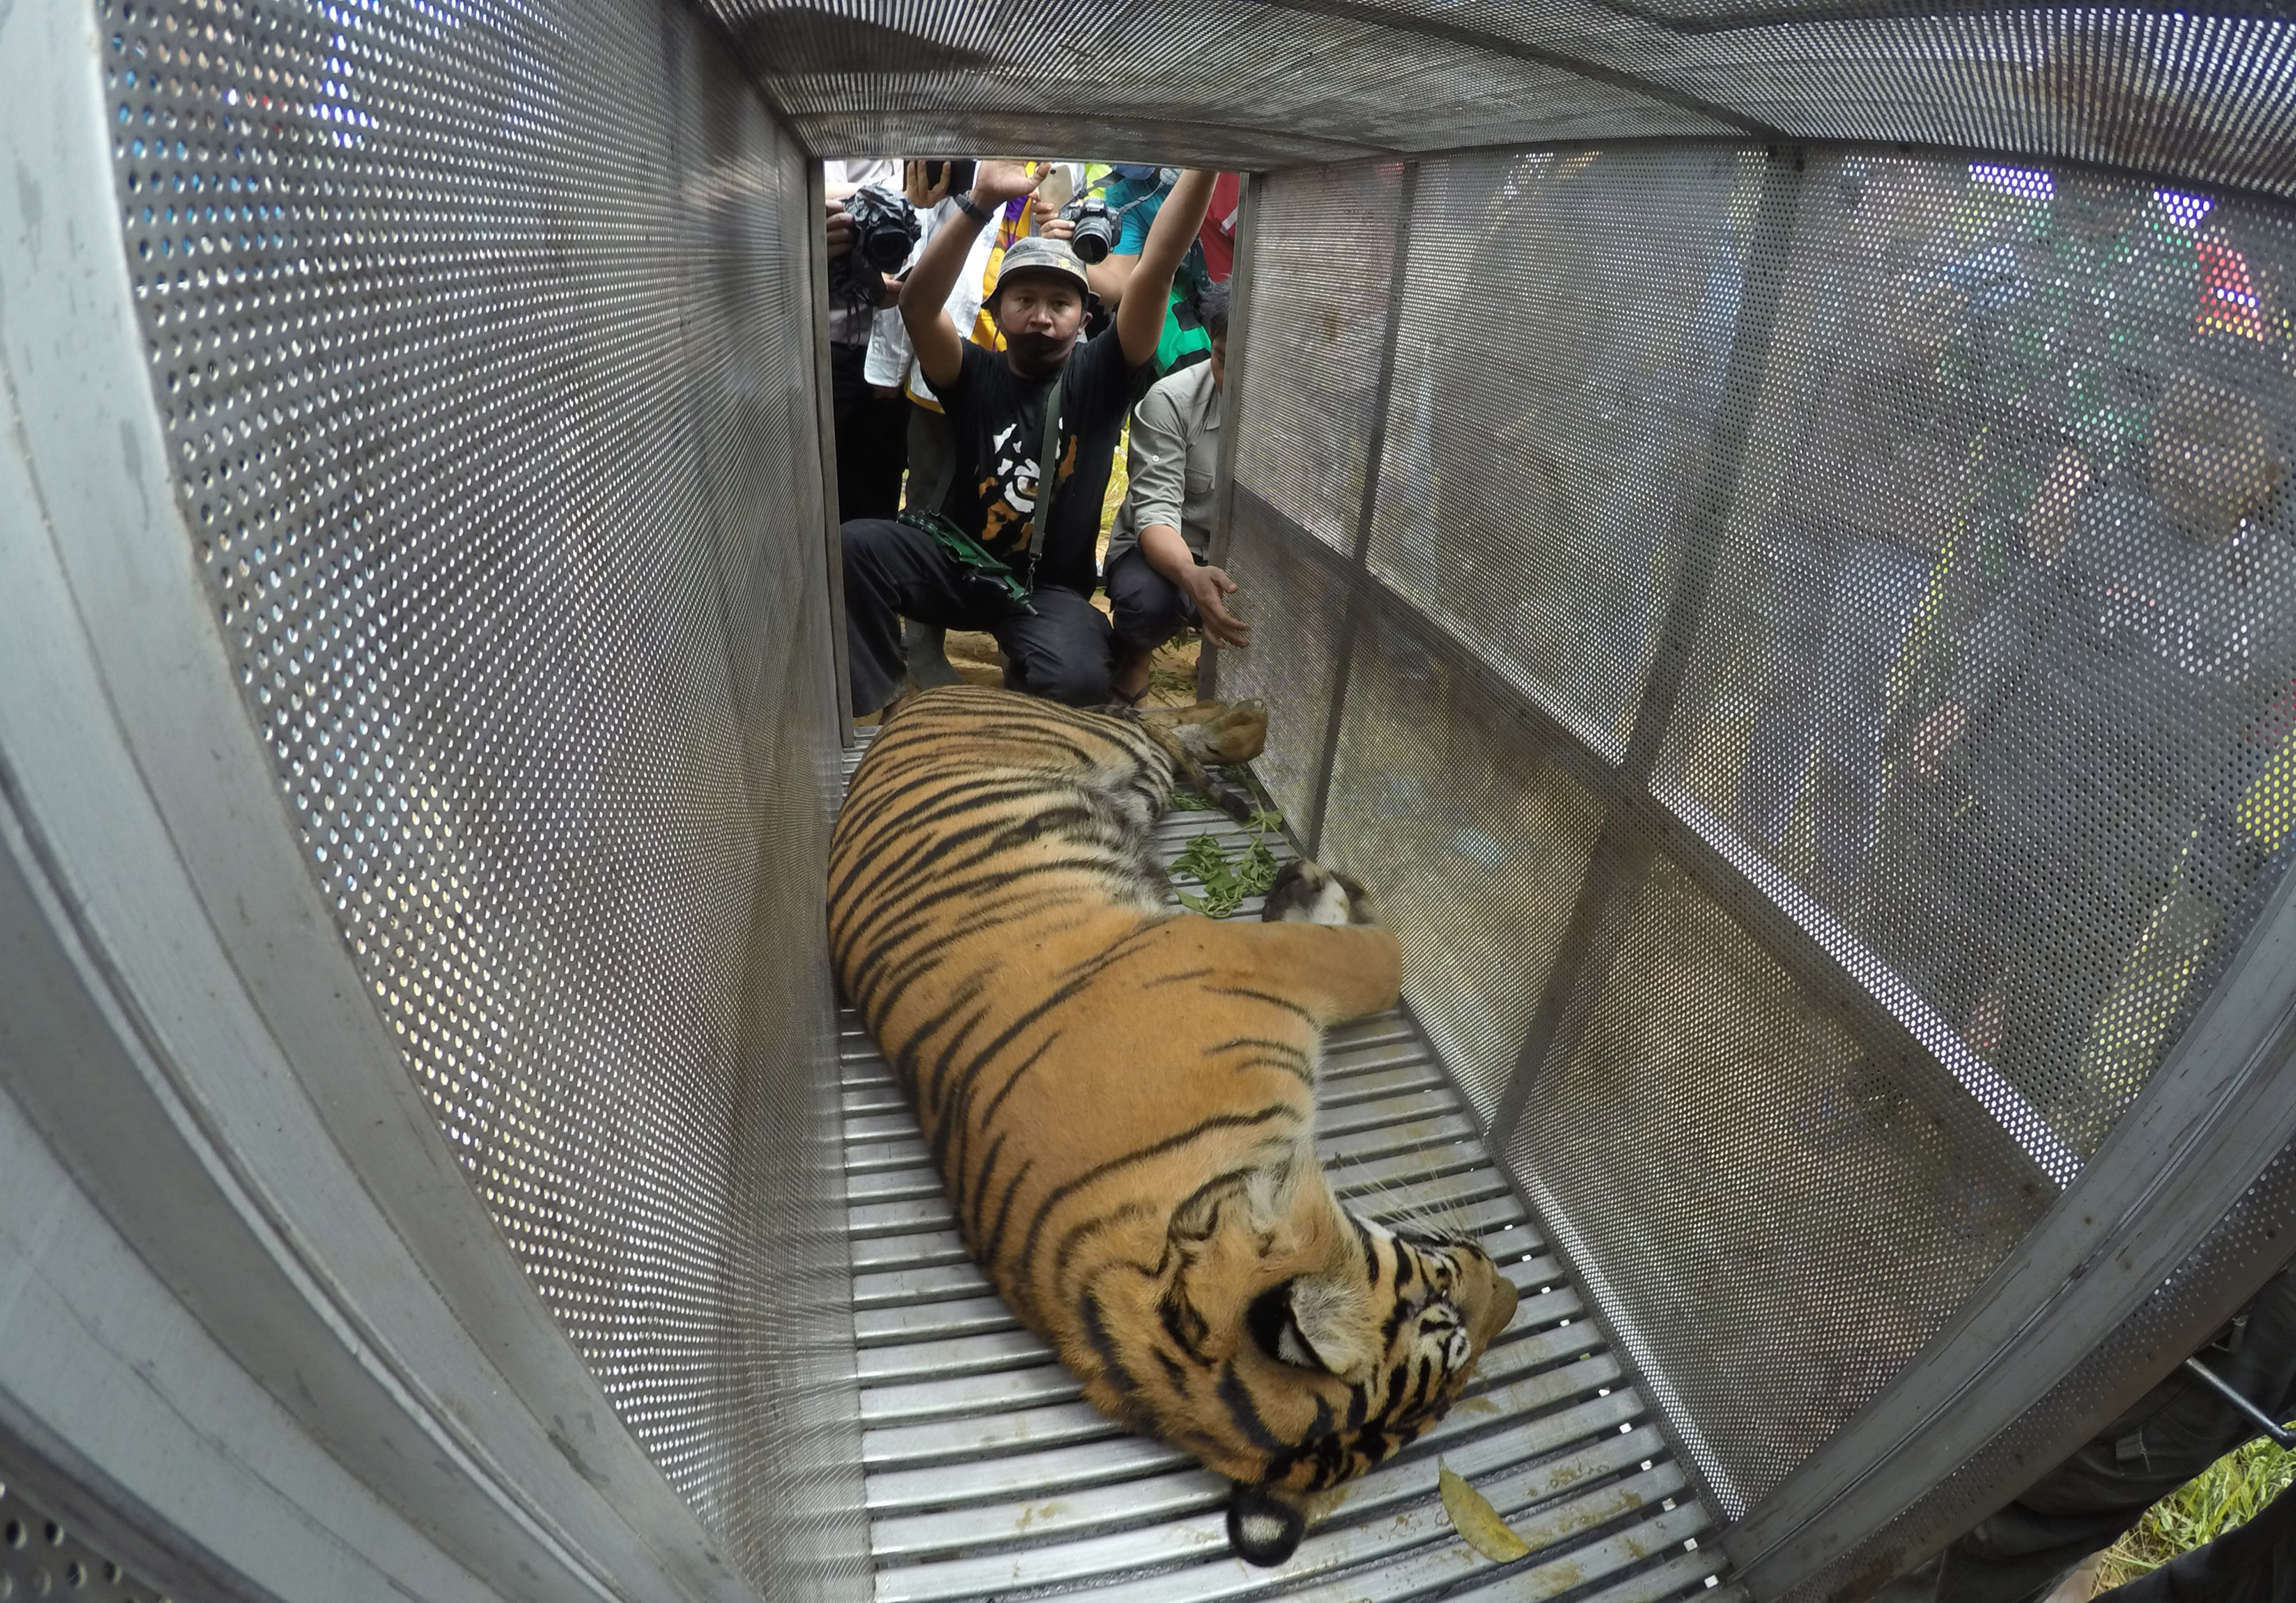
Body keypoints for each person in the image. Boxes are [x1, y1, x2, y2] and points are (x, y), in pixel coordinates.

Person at [837, 161, 1215, 716]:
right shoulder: (974, 373)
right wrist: (978, 204)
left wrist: (1204, 163)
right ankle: (887, 705)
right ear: (997, 310)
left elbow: (1155, 269)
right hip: (961, 567)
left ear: (1086, 316)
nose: (1042, 316)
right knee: (853, 548)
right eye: (1025, 299)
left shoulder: (1103, 377)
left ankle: (1027, 673)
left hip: (1047, 592)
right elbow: (919, 307)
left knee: (1081, 681)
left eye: (1060, 304)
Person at [1103, 281, 1248, 702]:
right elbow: (1157, 512)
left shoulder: (1300, 413)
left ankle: (1224, 655)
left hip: (1245, 556)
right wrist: (1191, 577)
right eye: (1223, 359)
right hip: (1171, 553)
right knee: (1147, 602)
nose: (1234, 377)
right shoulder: (1171, 401)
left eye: (1250, 362)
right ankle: (1134, 659)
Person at [824, 158, 909, 521]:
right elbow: (810, 185)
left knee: (875, 498)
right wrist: (898, 200)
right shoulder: (837, 126)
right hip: (826, 339)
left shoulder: (920, 137)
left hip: (897, 350)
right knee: (817, 485)